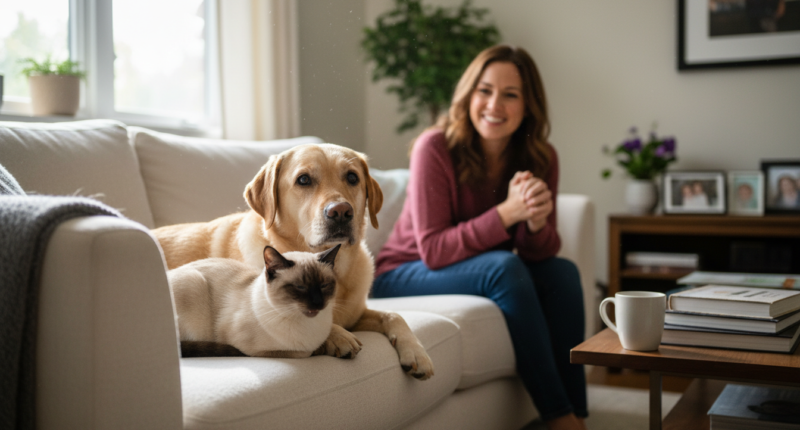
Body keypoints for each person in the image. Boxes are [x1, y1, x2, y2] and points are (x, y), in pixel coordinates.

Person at [372, 45, 588, 430]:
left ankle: (577, 413)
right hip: (401, 273)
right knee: (505, 266)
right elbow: (435, 251)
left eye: (510, 94)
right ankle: (560, 419)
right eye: (484, 90)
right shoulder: (434, 147)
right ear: (468, 94)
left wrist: (536, 222)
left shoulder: (541, 156)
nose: (494, 104)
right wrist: (507, 213)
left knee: (562, 273)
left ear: (528, 105)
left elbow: (541, 252)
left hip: (475, 270)